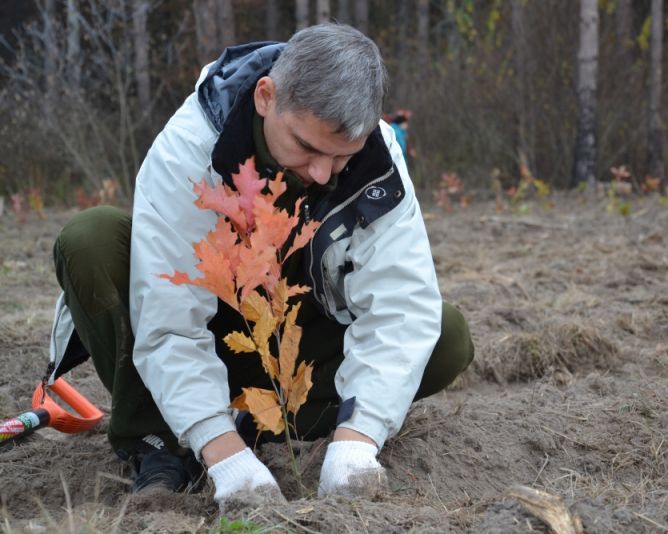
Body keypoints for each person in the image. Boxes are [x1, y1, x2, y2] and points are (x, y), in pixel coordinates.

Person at [46, 23, 473, 506]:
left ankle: (260, 424)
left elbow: (401, 307)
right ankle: (161, 440)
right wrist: (224, 455)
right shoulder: (189, 148)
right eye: (306, 147)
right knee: (90, 239)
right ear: (266, 97)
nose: (320, 172)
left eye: (340, 157)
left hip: (293, 342)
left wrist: (358, 440)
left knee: (444, 334)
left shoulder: (377, 157)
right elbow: (168, 322)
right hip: (209, 331)